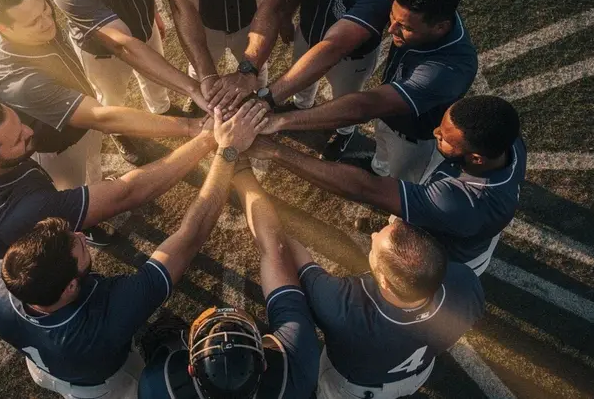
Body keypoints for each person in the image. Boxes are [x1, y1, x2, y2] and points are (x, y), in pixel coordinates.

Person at [0, 102, 268, 398]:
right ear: (71, 285)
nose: (80, 233)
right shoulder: (109, 316)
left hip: (44, 367)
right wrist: (227, 151)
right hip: (103, 386)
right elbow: (189, 237)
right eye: (77, 243)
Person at [0, 98, 265, 276]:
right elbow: (129, 192)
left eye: (18, 122)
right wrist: (213, 139)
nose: (28, 131)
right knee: (65, 287)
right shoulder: (26, 211)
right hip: (13, 260)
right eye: (18, 139)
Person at [247, 95, 525, 275]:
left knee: (404, 291)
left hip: (445, 260)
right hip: (465, 228)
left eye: (444, 139)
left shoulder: (456, 201)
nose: (435, 133)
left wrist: (276, 152)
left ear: (475, 158)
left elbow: (364, 188)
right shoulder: (507, 145)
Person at [0, 0, 204, 187]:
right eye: (34, 22)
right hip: (57, 147)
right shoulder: (14, 77)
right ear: (3, 28)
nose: (48, 22)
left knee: (93, 167)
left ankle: (95, 185)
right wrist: (189, 126)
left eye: (46, 9)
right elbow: (100, 118)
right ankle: (88, 228)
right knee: (71, 190)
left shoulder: (28, 6)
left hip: (81, 116)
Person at [262, 0, 477, 182]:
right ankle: (378, 168)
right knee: (382, 152)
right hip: (389, 117)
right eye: (392, 17)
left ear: (440, 28)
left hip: (414, 139)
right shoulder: (432, 14)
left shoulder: (448, 69)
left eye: (405, 26)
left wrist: (281, 121)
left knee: (402, 185)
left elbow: (366, 106)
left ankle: (395, 216)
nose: (391, 29)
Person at [138, 164, 320, 398]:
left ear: (191, 370)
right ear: (263, 365)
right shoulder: (297, 372)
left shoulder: (158, 384)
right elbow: (277, 251)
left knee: (162, 340)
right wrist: (241, 166)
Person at [49, 0, 211, 164]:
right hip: (102, 53)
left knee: (156, 81)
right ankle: (118, 132)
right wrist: (193, 88)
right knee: (111, 97)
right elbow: (123, 45)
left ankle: (161, 107)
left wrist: (152, 11)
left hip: (144, 26)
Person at [255, 0, 408, 163]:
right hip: (308, 32)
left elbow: (336, 45)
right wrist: (286, 14)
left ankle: (344, 133)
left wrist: (268, 97)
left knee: (344, 98)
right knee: (302, 79)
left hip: (351, 56)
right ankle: (301, 106)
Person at [292, 219, 484, 398]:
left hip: (357, 390)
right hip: (419, 373)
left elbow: (297, 260)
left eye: (375, 247)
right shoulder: (466, 282)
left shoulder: (343, 307)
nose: (373, 235)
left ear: (384, 281)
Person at [155, 0, 297, 113]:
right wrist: (206, 77)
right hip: (204, 25)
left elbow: (271, 5)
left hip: (252, 24)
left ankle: (255, 99)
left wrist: (248, 70)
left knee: (258, 70)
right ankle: (197, 100)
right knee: (198, 69)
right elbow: (184, 6)